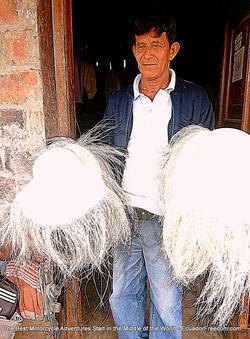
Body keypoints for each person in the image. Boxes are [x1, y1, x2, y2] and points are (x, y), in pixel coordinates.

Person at [103, 11, 215, 339]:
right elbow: (108, 154)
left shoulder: (194, 98)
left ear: (173, 50)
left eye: (156, 44)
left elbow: (204, 158)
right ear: (134, 50)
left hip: (165, 218)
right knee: (123, 294)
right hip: (124, 215)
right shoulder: (118, 101)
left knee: (166, 300)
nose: (148, 53)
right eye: (141, 46)